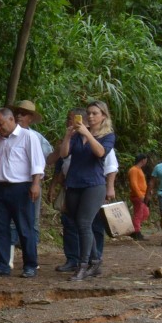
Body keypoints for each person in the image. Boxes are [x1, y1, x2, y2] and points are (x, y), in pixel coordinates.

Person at [53, 100, 115, 280]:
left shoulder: (107, 136)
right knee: (79, 223)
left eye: (95, 113)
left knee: (84, 222)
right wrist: (68, 136)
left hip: (94, 185)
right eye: (89, 113)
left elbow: (100, 153)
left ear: (103, 116)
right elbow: (64, 154)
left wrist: (87, 133)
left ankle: (83, 265)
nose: (91, 116)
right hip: (74, 183)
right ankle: (95, 261)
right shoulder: (76, 135)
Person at [0, 107, 44, 278]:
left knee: (25, 227)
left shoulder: (28, 137)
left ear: (11, 120)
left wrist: (35, 184)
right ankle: (2, 265)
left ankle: (30, 265)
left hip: (21, 187)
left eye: (0, 124)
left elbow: (37, 163)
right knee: (0, 228)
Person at [12, 100, 54, 232]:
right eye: (17, 112)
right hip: (12, 182)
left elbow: (48, 159)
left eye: (23, 113)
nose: (19, 116)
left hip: (31, 182)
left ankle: (31, 244)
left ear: (30, 118)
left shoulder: (37, 137)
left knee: (32, 219)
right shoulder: (5, 135)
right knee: (12, 219)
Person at [128, 153, 152, 241]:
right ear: (143, 160)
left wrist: (147, 192)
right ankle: (136, 232)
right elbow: (134, 184)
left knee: (145, 213)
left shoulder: (139, 169)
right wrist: (140, 195)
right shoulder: (134, 170)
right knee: (139, 214)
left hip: (142, 195)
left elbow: (141, 183)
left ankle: (134, 229)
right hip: (138, 196)